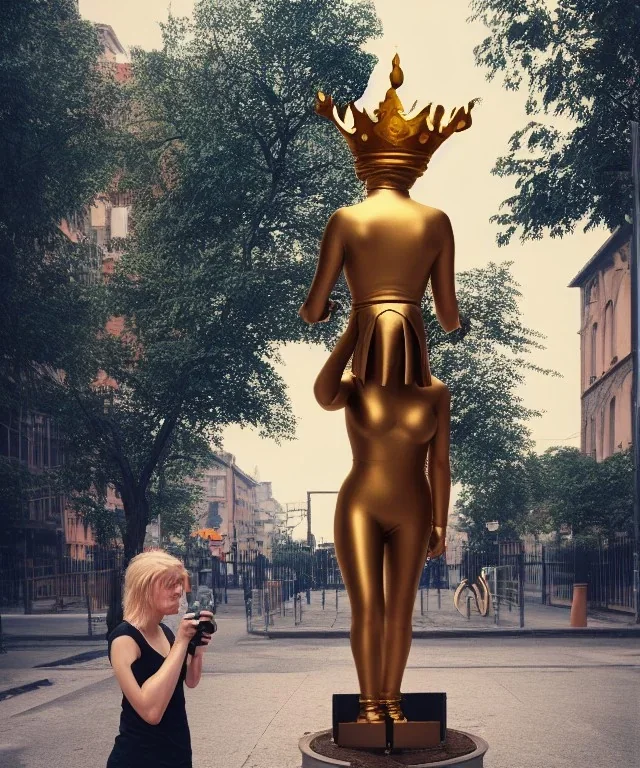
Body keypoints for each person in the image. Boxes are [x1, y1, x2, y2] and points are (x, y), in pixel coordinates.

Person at [299, 55, 474, 724]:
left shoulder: (345, 220)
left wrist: (358, 310)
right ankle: (372, 708)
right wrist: (373, 321)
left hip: (406, 500)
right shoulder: (436, 223)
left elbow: (313, 310)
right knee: (374, 609)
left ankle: (388, 706)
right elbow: (450, 314)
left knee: (393, 612)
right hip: (374, 500)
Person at [106, 551, 213, 768]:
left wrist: (197, 650)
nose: (178, 591)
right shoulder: (124, 640)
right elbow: (151, 712)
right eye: (170, 584)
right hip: (140, 757)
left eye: (179, 584)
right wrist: (182, 642)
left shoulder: (164, 631)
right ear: (145, 588)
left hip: (176, 752)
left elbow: (190, 681)